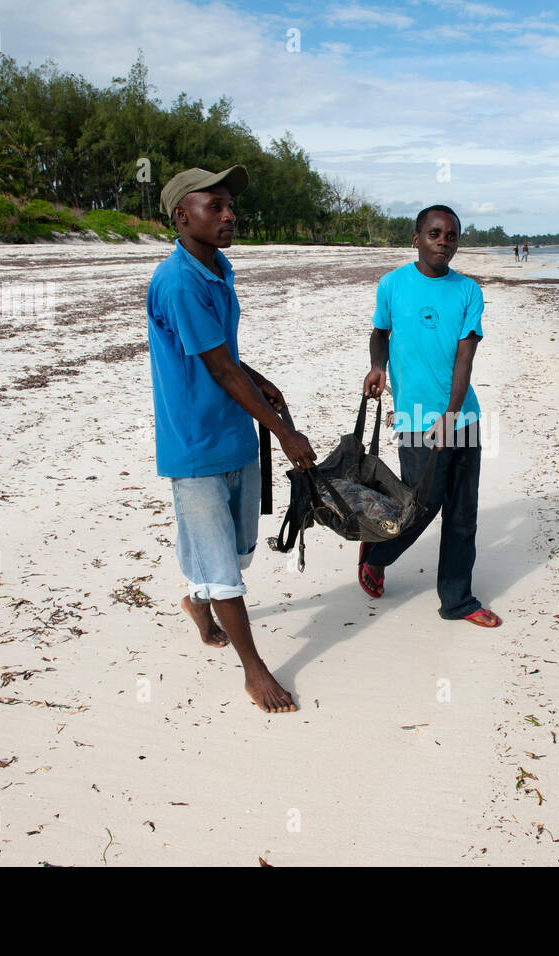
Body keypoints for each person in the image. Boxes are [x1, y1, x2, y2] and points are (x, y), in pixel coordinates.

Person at [147, 166, 317, 714]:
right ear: (181, 216)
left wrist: (259, 380)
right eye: (214, 205)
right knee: (223, 565)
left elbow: (223, 354)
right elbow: (218, 369)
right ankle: (254, 669)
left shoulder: (218, 268)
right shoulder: (177, 282)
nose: (228, 214)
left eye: (230, 206)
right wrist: (285, 432)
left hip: (236, 434)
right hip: (195, 444)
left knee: (239, 552)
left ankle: (198, 602)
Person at [358, 204, 502, 627]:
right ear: (416, 238)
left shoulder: (468, 291)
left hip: (462, 417)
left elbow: (465, 358)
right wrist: (377, 367)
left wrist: (453, 415)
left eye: (451, 235)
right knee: (422, 505)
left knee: (462, 511)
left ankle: (457, 600)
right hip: (414, 417)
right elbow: (379, 334)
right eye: (435, 233)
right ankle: (377, 553)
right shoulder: (392, 285)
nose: (443, 241)